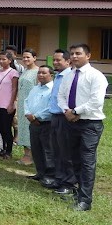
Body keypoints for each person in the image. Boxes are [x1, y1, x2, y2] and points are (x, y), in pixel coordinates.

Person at [56, 43, 108, 211]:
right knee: (73, 159)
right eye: (72, 54)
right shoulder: (68, 76)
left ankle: (85, 200)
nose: (74, 56)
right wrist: (66, 111)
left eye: (78, 53)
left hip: (89, 124)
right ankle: (77, 191)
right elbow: (61, 96)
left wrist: (76, 111)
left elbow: (96, 101)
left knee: (87, 161)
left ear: (88, 56)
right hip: (70, 122)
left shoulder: (96, 76)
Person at [48, 49, 75, 192]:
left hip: (65, 117)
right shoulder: (58, 76)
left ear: (67, 61)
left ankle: (68, 182)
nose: (55, 63)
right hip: (55, 116)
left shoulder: (69, 76)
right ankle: (58, 178)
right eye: (54, 60)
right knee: (56, 150)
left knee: (66, 152)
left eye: (58, 60)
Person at [24, 65, 55, 187]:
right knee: (36, 149)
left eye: (43, 73)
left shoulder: (53, 89)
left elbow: (51, 107)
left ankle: (50, 175)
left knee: (47, 150)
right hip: (33, 123)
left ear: (51, 75)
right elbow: (27, 101)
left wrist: (36, 116)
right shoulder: (35, 88)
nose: (40, 75)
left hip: (46, 123)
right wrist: (28, 114)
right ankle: (40, 172)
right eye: (39, 73)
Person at [0, 51, 19, 158]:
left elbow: (14, 88)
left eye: (4, 59)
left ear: (10, 60)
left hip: (7, 104)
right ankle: (1, 147)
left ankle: (9, 150)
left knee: (7, 128)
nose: (1, 61)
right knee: (0, 127)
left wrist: (11, 104)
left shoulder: (13, 73)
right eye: (0, 59)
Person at [16, 49, 39, 165]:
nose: (25, 59)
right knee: (23, 129)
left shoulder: (38, 72)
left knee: (30, 129)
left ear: (34, 58)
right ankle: (26, 154)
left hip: (32, 105)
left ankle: (32, 156)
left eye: (28, 57)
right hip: (22, 104)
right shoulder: (24, 71)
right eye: (24, 57)